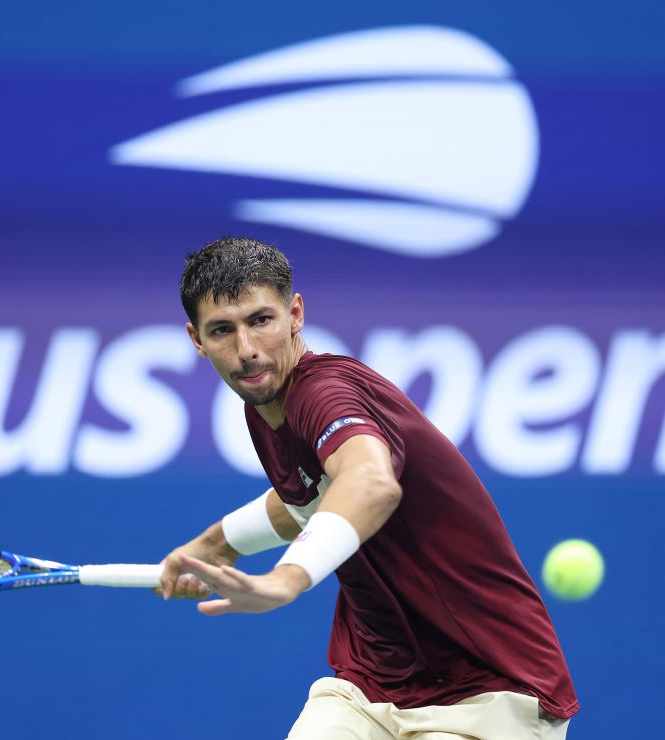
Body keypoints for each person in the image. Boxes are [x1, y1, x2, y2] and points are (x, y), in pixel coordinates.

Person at [159, 236, 578, 739]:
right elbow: (307, 498)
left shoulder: (324, 392)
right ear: (196, 339)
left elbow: (371, 482)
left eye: (261, 320)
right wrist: (216, 546)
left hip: (490, 688)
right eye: (223, 330)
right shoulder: (265, 405)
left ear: (295, 313)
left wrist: (286, 579)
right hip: (372, 685)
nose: (247, 350)